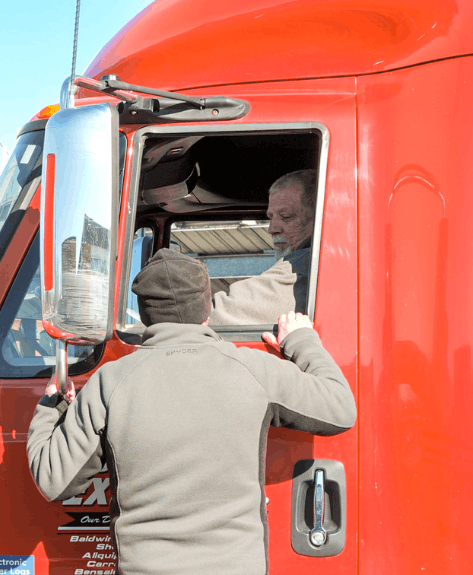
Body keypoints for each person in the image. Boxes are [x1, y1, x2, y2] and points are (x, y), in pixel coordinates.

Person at [27, 249, 356, 575]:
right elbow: (340, 409)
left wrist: (52, 408)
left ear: (145, 315)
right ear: (206, 310)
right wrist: (301, 341)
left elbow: (54, 481)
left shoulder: (109, 382)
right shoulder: (254, 370)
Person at [210, 169, 316, 325]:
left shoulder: (302, 266)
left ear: (320, 216)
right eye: (271, 217)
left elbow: (217, 315)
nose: (272, 229)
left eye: (286, 216)